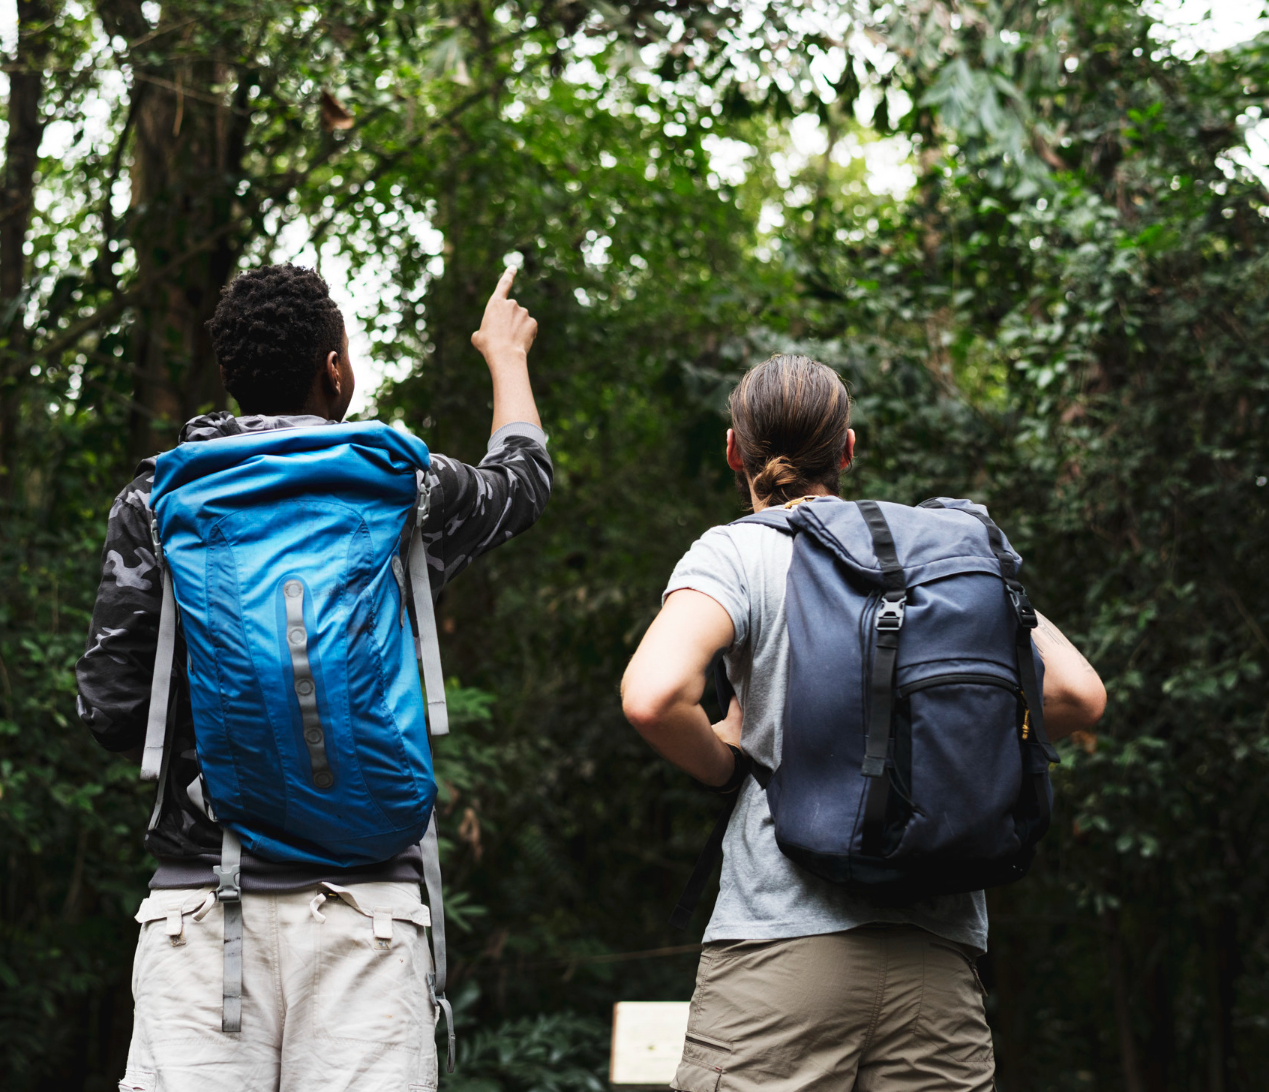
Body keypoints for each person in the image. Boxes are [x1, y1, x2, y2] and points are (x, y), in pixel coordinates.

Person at [76, 263, 548, 1092]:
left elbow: (113, 711)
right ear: (335, 369)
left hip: (203, 902)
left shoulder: (158, 499)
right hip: (366, 909)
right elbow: (524, 482)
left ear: (230, 375)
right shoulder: (402, 485)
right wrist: (504, 355)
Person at [619, 354, 1107, 1092]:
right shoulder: (937, 557)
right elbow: (1076, 693)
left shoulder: (740, 551)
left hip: (779, 948)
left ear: (732, 450)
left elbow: (652, 697)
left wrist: (728, 760)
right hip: (936, 961)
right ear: (848, 450)